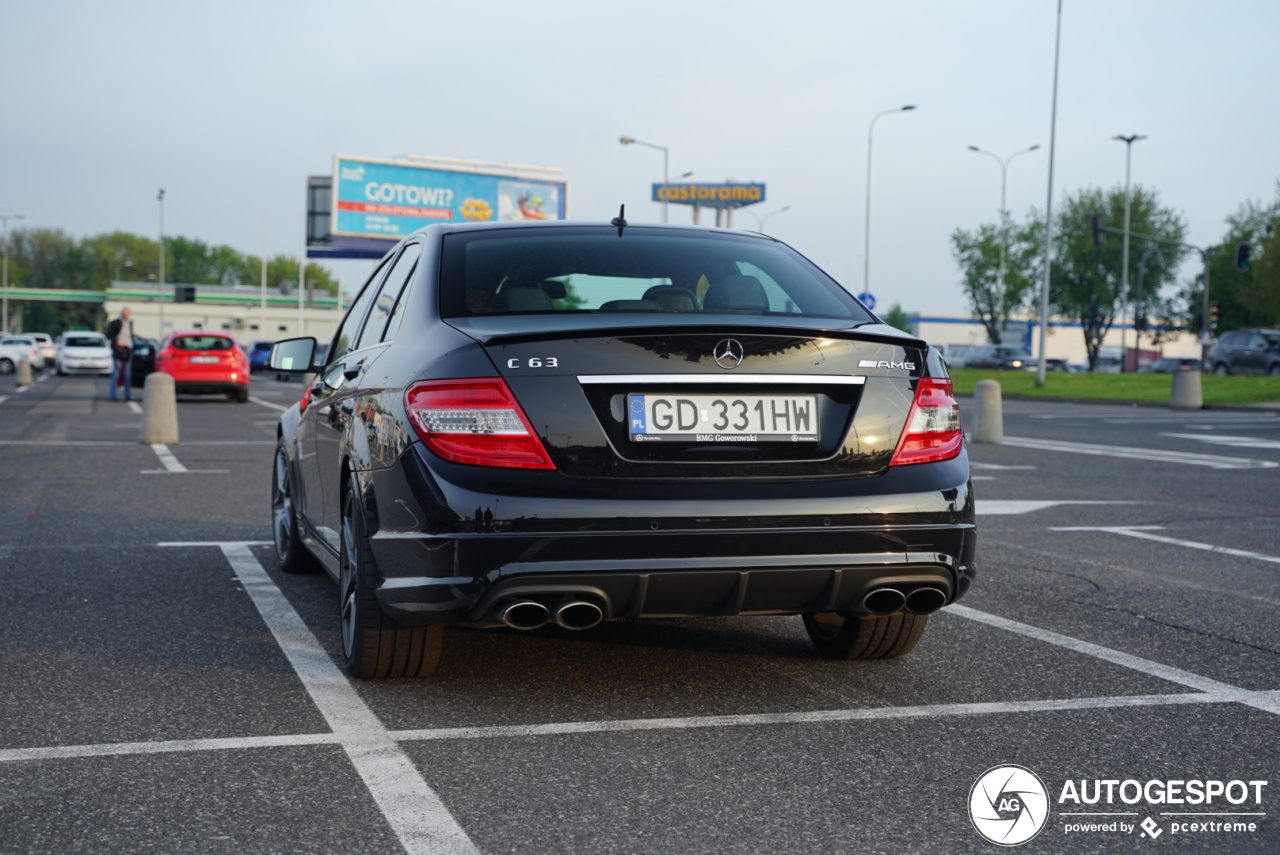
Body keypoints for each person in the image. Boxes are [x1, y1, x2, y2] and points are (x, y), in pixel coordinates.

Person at [105, 307, 134, 401]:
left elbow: (130, 335)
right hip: (118, 350)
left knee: (127, 374)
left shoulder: (130, 322)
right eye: (124, 313)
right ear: (121, 313)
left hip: (128, 349)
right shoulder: (116, 323)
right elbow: (110, 335)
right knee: (116, 373)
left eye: (127, 313)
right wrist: (117, 342)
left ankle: (127, 395)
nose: (126, 315)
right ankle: (112, 394)